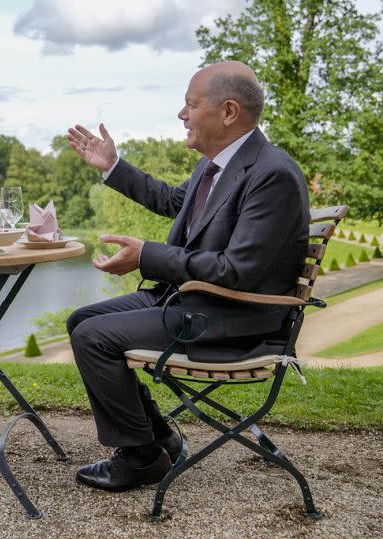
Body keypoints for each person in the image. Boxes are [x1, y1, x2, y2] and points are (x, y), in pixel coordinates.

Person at [65, 61, 309, 492]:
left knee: (93, 338)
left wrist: (147, 257)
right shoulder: (216, 164)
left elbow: (239, 271)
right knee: (81, 321)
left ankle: (140, 456)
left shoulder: (273, 174)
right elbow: (171, 200)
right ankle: (159, 438)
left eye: (190, 105)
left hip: (232, 314)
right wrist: (112, 166)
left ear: (228, 111)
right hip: (191, 301)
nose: (182, 115)